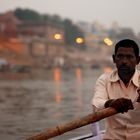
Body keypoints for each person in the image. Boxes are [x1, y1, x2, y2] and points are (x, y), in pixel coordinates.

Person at [92, 39, 140, 140]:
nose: (124, 61)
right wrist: (110, 103)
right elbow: (97, 103)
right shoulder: (104, 80)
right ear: (114, 59)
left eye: (129, 57)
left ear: (137, 60)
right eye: (120, 56)